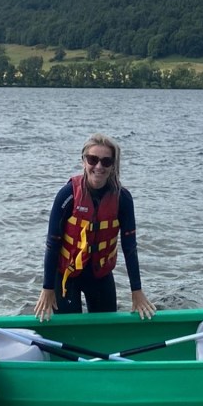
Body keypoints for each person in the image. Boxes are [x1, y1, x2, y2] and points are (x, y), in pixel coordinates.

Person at [34, 133, 155, 321]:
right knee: (68, 330)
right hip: (67, 276)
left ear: (113, 165)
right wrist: (47, 288)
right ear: (84, 161)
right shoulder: (67, 195)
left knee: (107, 329)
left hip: (100, 276)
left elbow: (130, 247)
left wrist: (136, 291)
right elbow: (52, 243)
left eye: (106, 162)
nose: (99, 166)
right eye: (93, 159)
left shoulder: (122, 199)